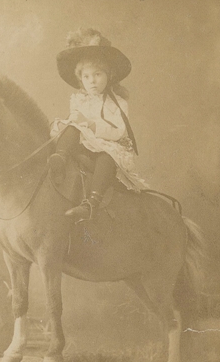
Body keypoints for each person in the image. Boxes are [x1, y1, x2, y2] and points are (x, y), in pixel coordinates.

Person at [47, 29, 149, 220]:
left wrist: (91, 125)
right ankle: (59, 160)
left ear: (108, 76)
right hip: (84, 145)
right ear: (81, 80)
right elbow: (75, 123)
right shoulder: (79, 100)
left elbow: (119, 131)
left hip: (108, 144)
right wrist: (70, 122)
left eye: (97, 74)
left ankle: (91, 203)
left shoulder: (118, 103)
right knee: (70, 128)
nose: (92, 81)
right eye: (86, 77)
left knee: (107, 158)